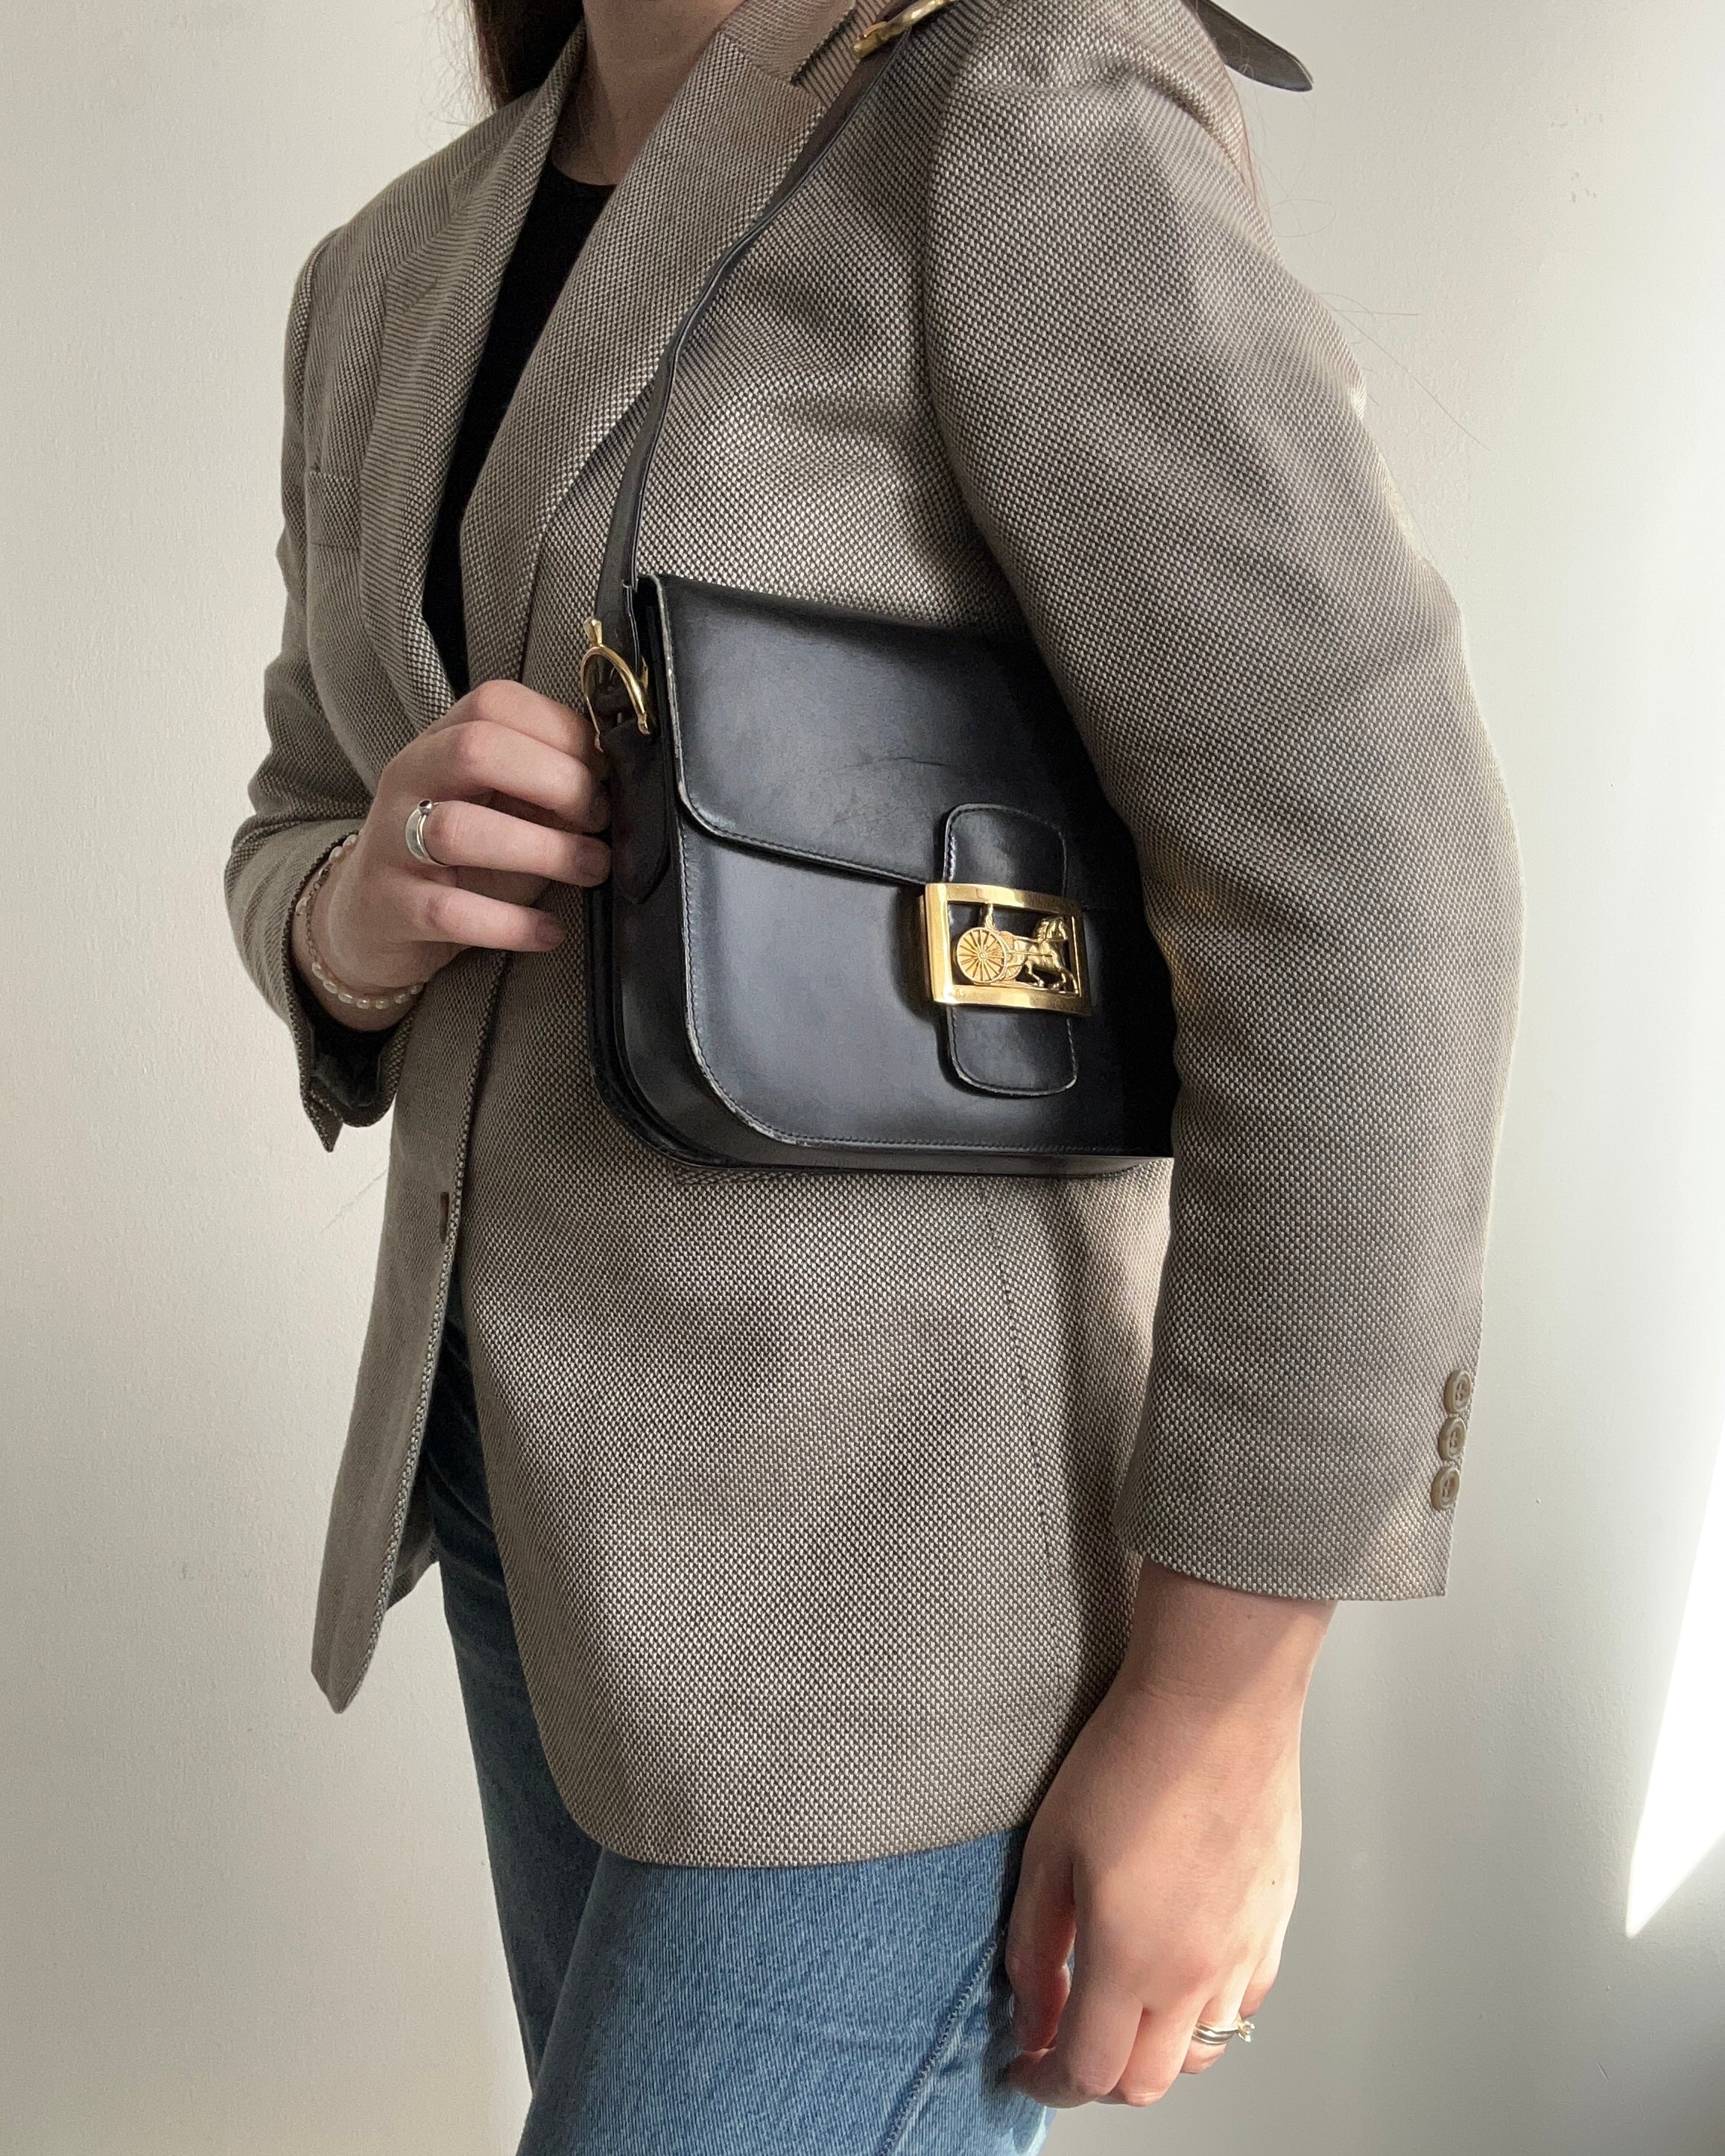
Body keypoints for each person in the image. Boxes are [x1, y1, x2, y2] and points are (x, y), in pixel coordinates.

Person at [224, 0, 1522, 2146]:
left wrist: (1221, 1708)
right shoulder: (386, 270)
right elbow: (299, 795)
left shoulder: (1019, 104)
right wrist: (346, 912)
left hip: (897, 1584)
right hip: (517, 1511)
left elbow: (1375, 885)